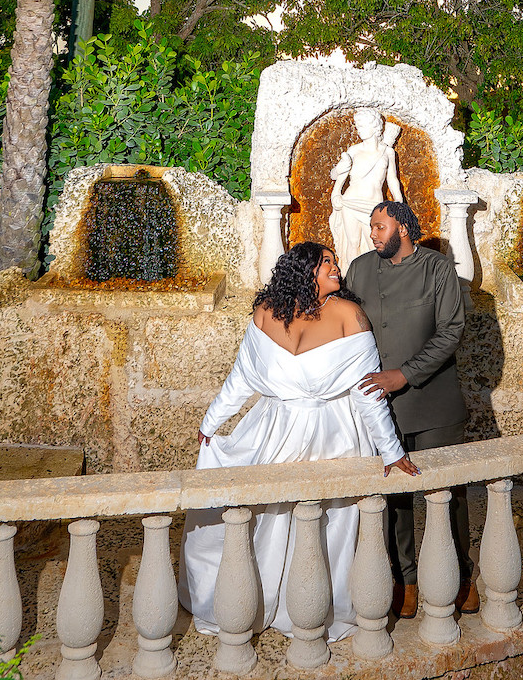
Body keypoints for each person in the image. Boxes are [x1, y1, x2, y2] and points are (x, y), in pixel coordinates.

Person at [178, 240, 420, 642]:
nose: (336, 267)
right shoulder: (265, 312)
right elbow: (242, 378)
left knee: (329, 521)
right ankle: (254, 599)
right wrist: (211, 422)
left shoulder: (348, 314)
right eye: (327, 262)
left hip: (333, 436)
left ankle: (316, 604)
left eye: (335, 261)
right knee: (265, 516)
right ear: (304, 270)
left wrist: (392, 451)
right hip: (275, 431)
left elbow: (368, 392)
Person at [343, 199, 477, 620]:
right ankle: (405, 580)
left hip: (434, 402)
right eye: (371, 227)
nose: (372, 233)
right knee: (394, 499)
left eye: (379, 226)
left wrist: (404, 374)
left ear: (402, 227)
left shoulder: (438, 268)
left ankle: (461, 577)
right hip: (380, 408)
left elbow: (452, 331)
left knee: (448, 494)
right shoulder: (359, 269)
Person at [329, 110, 403, 272]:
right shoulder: (353, 150)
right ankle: (352, 279)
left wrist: (399, 202)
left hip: (374, 205)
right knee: (353, 243)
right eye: (358, 126)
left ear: (374, 126)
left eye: (362, 125)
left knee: (375, 244)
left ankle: (376, 278)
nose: (359, 129)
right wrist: (336, 190)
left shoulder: (388, 152)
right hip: (350, 202)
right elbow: (336, 174)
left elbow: (392, 179)